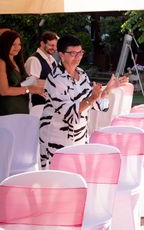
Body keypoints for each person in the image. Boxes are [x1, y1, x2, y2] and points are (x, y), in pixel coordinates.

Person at [39, 35, 127, 168]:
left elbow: (98, 105)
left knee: (77, 176)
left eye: (80, 52)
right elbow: (69, 113)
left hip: (79, 135)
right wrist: (92, 98)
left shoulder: (81, 74)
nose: (78, 56)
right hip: (56, 137)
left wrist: (107, 91)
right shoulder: (56, 78)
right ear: (61, 54)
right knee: (58, 179)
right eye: (73, 53)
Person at [0, 30, 45, 116]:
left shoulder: (16, 61)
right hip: (8, 112)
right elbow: (4, 91)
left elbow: (26, 82)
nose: (17, 47)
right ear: (5, 44)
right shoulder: (1, 62)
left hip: (22, 109)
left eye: (19, 44)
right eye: (13, 44)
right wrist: (28, 89)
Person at [24, 31, 58, 117]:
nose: (54, 48)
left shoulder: (52, 60)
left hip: (49, 105)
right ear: (42, 43)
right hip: (37, 105)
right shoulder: (34, 60)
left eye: (55, 45)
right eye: (51, 45)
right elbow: (32, 83)